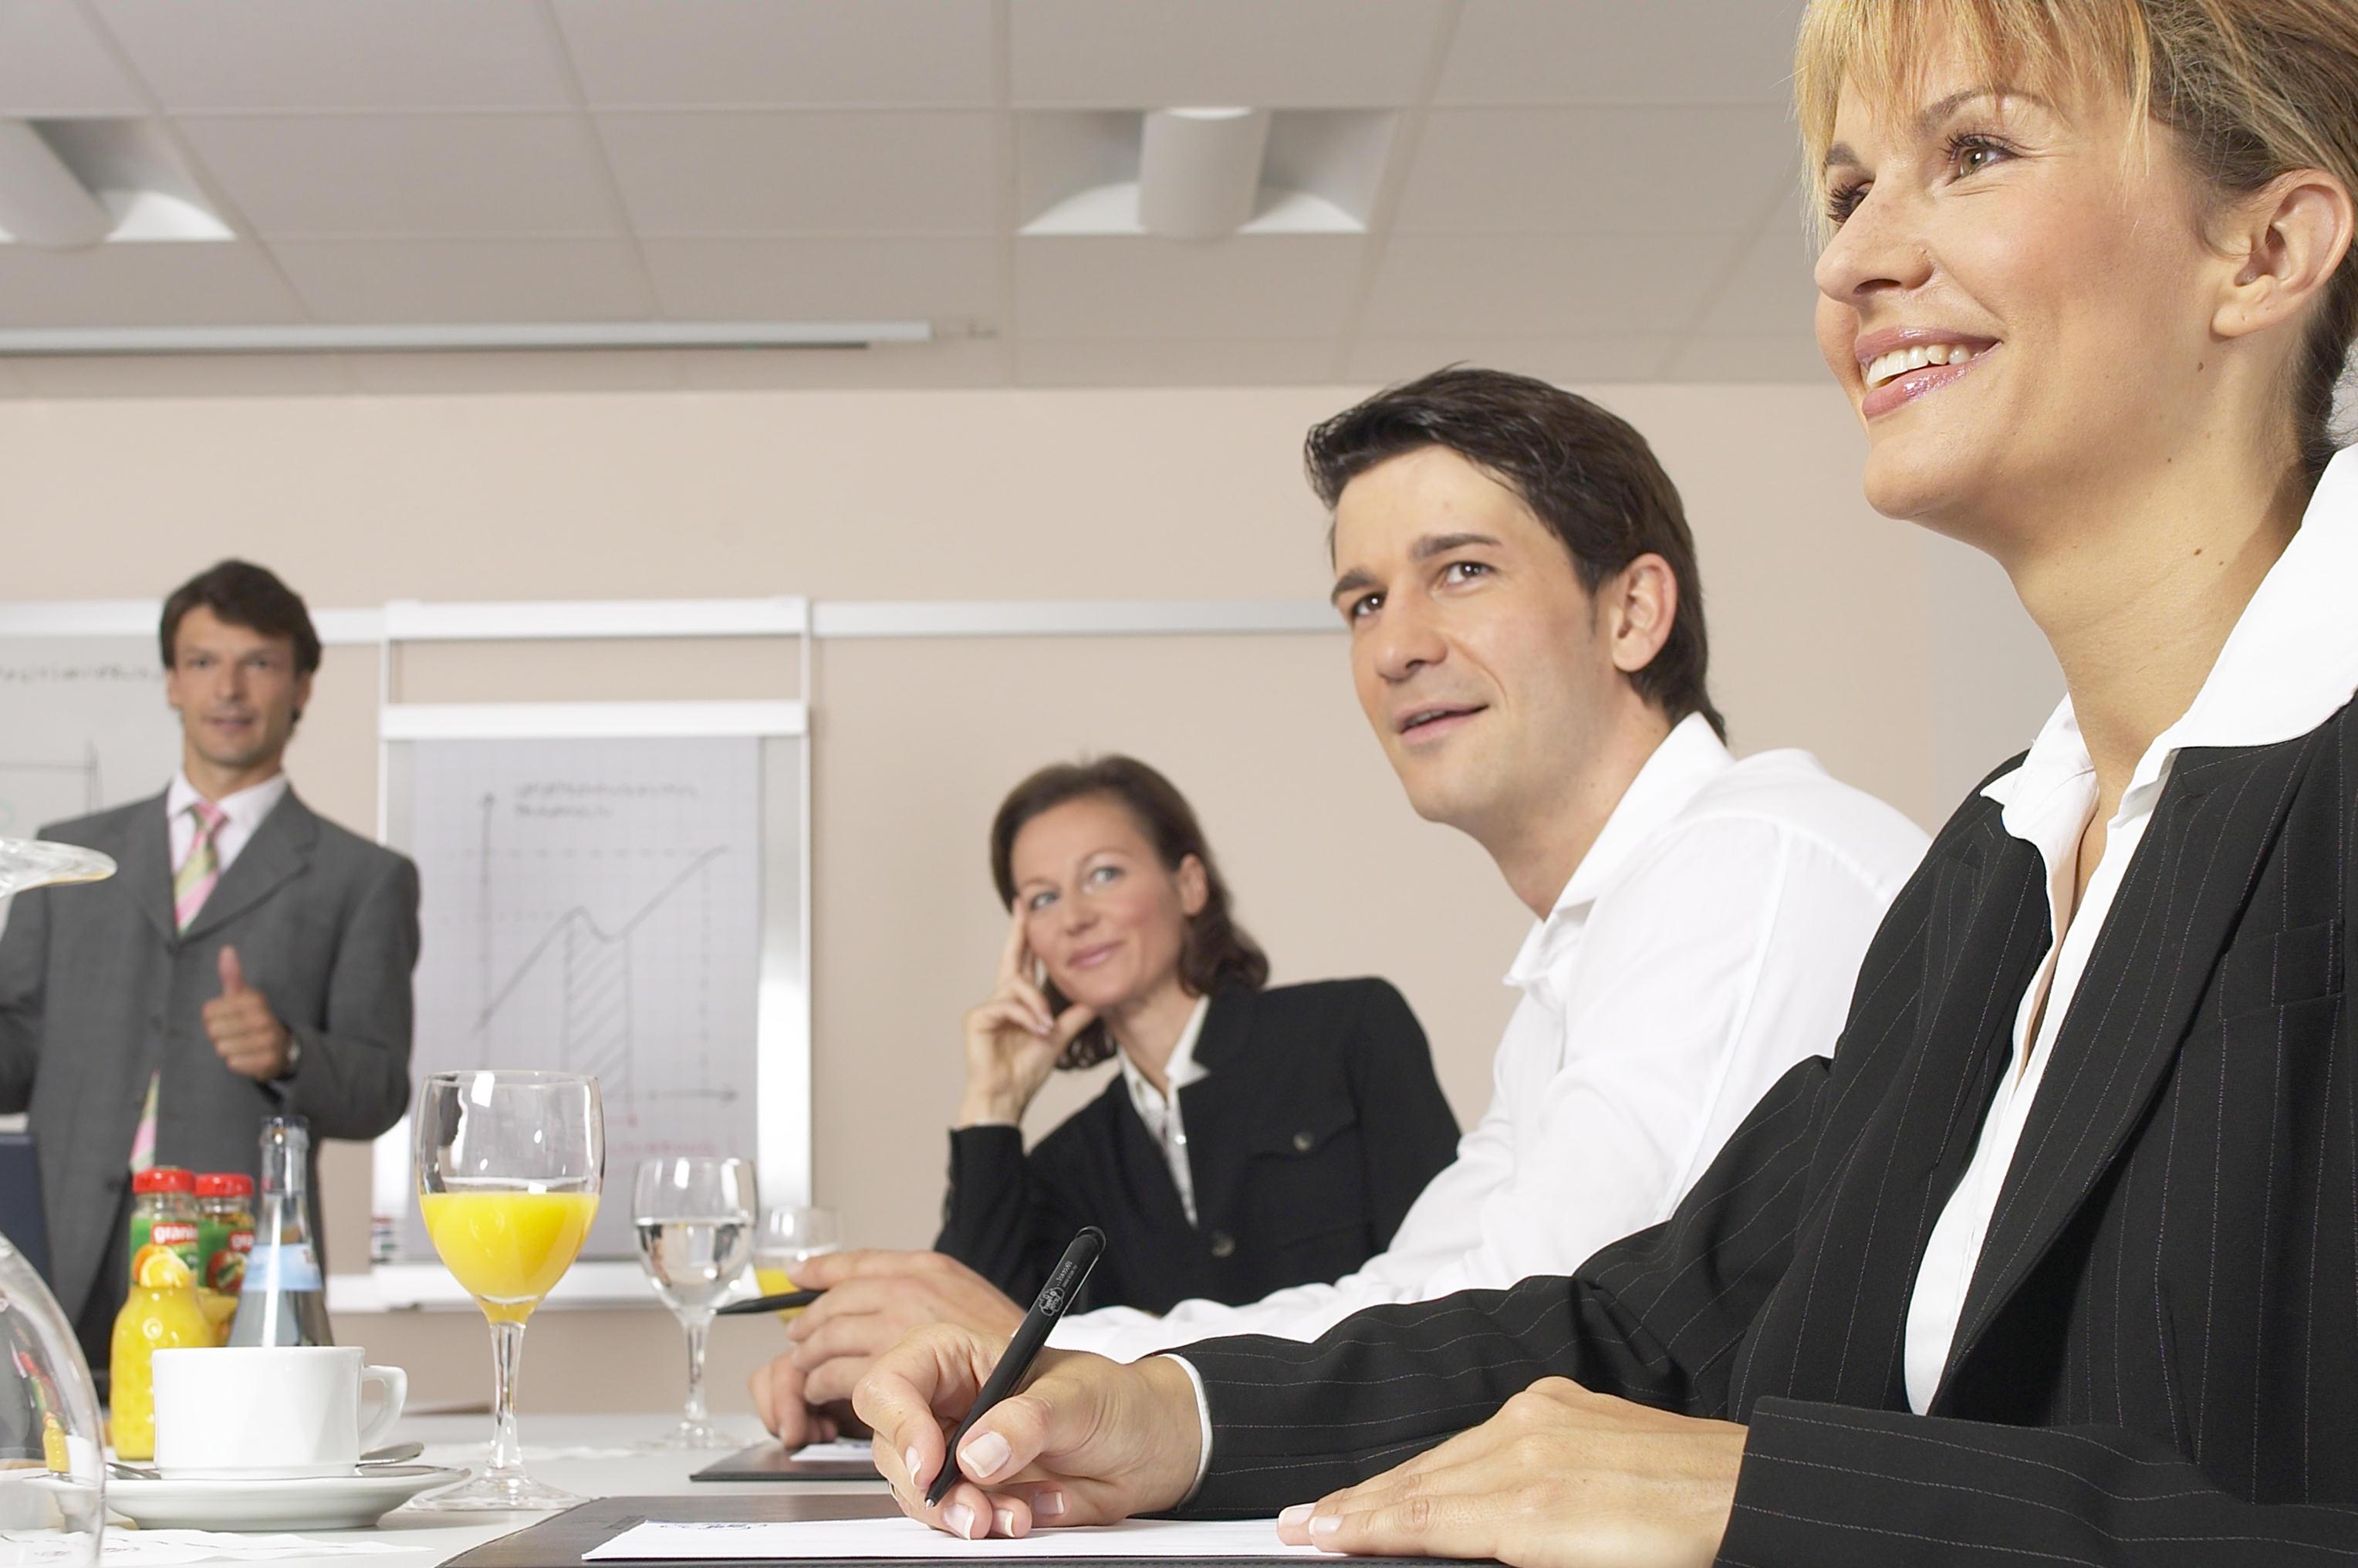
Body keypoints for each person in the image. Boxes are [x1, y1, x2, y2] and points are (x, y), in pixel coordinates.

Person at [855, 0, 2358, 1561]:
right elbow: (1645, 1328)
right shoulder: (1989, 875)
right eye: (1844, 197)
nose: (1846, 266)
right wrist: (1169, 1407)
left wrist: (1764, 1499)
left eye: (1970, 152)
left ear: (2263, 250)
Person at [749, 370, 1928, 1441]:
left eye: (1460, 571)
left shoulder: (1746, 871)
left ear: (1632, 613)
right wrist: (1042, 1355)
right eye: (1362, 602)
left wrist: (1046, 1352)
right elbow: (1424, 1299)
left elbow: (1545, 1347)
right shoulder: (1593, 948)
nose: (1397, 646)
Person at [0, 561, 420, 1371]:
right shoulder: (72, 854)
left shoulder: (361, 878)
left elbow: (379, 1092)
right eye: (203, 661)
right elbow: (16, 1060)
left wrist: (291, 1052)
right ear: (171, 681)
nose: (228, 687)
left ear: (300, 685)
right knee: (44, 1482)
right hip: (60, 1249)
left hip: (237, 1262)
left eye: (258, 663)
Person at [931, 755, 1459, 1317]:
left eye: (1103, 875)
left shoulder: (1349, 1030)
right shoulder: (1068, 1163)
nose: (1074, 918)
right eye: (1042, 898)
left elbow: (1447, 1274)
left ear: (1188, 885)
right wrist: (994, 1103)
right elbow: (977, 1334)